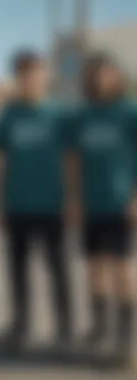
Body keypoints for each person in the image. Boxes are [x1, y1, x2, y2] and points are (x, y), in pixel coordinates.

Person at [0, 50, 72, 346]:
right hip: (17, 204)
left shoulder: (60, 115)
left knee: (59, 270)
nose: (30, 79)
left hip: (52, 204)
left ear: (45, 75)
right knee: (17, 271)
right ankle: (20, 327)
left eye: (35, 72)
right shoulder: (9, 115)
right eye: (23, 74)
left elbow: (72, 161)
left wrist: (72, 200)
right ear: (17, 79)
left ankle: (65, 329)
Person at [68, 53, 137, 352]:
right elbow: (74, 161)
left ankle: (124, 338)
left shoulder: (129, 112)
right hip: (91, 203)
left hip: (121, 202)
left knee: (122, 269)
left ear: (116, 76)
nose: (100, 79)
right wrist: (75, 199)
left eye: (106, 73)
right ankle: (99, 329)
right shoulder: (85, 116)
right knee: (94, 269)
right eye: (95, 74)